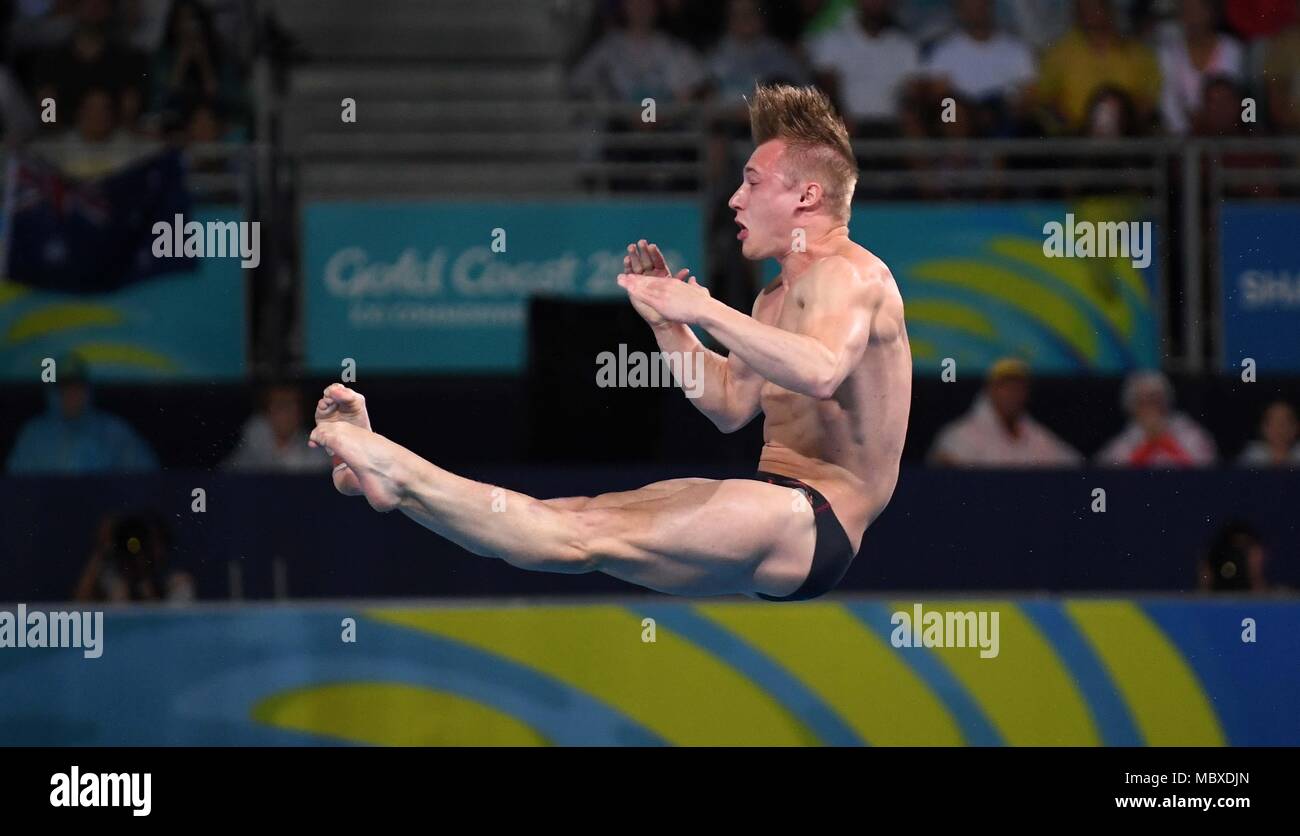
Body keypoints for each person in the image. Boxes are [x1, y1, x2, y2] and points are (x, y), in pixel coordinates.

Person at [309, 84, 911, 601]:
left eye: (752, 182)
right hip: (771, 509)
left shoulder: (853, 273)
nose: (734, 198)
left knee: (583, 536)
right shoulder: (773, 299)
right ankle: (394, 484)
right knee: (571, 524)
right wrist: (669, 326)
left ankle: (395, 468)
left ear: (806, 197)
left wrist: (702, 307)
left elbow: (823, 370)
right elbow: (729, 404)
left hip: (814, 519)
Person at [5, 353, 158, 475]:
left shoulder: (114, 431)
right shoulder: (33, 435)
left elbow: (147, 477)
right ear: (52, 394)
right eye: (64, 388)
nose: (72, 395)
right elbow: (18, 486)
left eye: (77, 387)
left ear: (88, 390)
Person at [928, 358, 1082, 467]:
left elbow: (1075, 466)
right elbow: (944, 470)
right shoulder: (959, 434)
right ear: (991, 389)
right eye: (1006, 386)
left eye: (1018, 387)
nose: (1012, 393)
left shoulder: (1036, 435)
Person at [1094, 370, 1217, 467]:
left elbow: (1205, 471)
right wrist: (1149, 443)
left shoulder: (1189, 431)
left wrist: (1164, 440)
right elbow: (1110, 477)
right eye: (1142, 401)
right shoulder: (1123, 441)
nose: (1150, 406)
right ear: (1131, 406)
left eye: (1155, 399)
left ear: (1166, 401)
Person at [224, 383, 331, 473]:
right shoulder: (253, 438)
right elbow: (226, 477)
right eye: (280, 406)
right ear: (267, 412)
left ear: (300, 413)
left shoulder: (316, 455)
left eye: (291, 406)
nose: (286, 413)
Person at [1238, 400, 1300, 467]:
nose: (1280, 429)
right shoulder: (1251, 457)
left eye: (1286, 422)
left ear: (1296, 426)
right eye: (1273, 422)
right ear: (1263, 427)